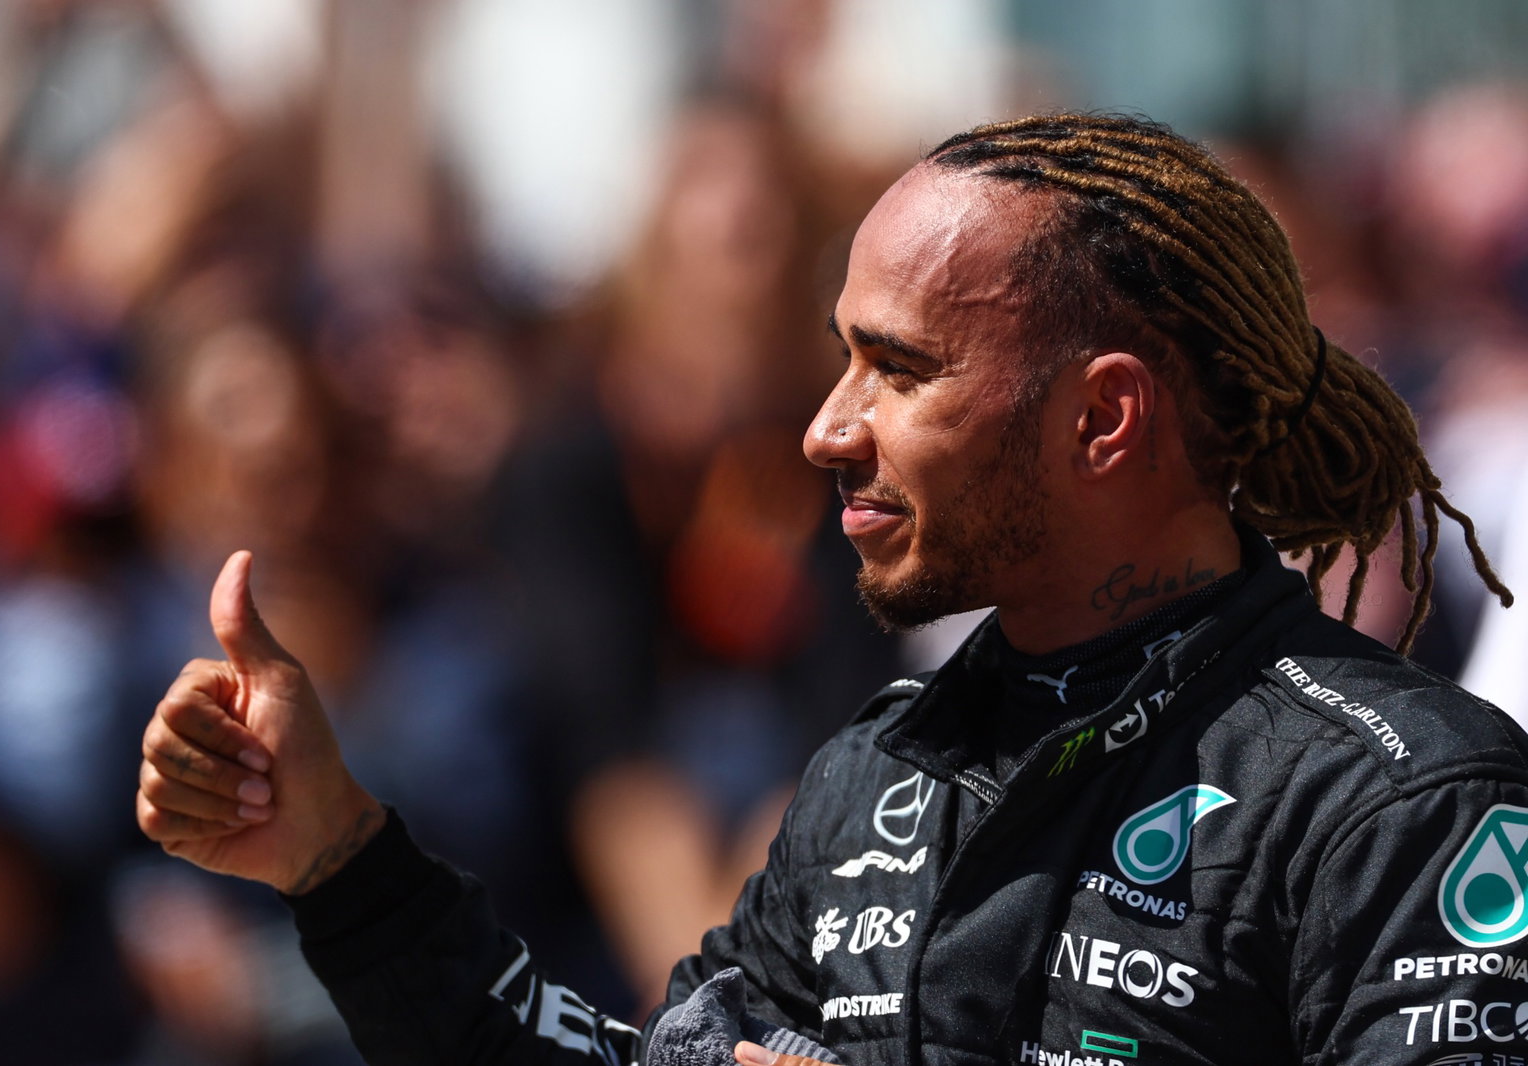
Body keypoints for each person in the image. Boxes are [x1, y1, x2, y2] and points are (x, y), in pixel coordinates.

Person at [137, 113, 1526, 1066]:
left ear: (1104, 422)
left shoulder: (1406, 806)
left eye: (900, 368)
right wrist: (337, 857)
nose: (826, 425)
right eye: (838, 358)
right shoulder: (878, 777)